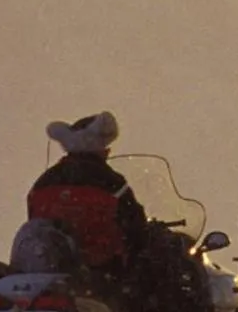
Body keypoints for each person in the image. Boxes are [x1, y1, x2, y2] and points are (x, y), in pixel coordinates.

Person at [27, 111, 150, 274]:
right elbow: (135, 227)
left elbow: (34, 221)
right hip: (100, 273)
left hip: (48, 268)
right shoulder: (111, 183)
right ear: (101, 149)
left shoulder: (43, 182)